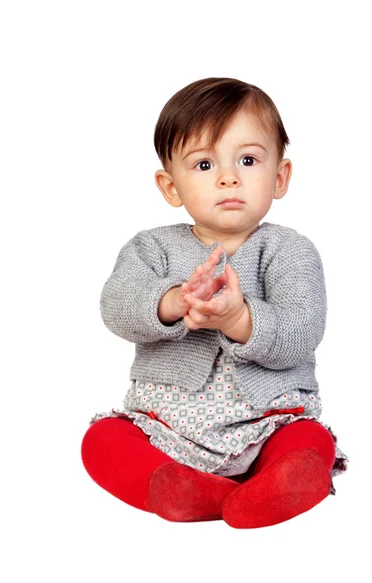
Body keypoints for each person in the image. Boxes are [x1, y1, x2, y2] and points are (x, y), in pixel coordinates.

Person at [81, 76, 349, 529]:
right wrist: (172, 301)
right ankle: (186, 489)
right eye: (204, 165)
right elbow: (116, 303)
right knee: (102, 441)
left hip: (268, 424)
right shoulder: (152, 248)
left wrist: (241, 318)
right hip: (165, 427)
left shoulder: (289, 251)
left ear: (280, 176)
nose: (229, 177)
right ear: (170, 187)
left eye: (248, 159)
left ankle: (277, 484)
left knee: (307, 441)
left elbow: (302, 332)